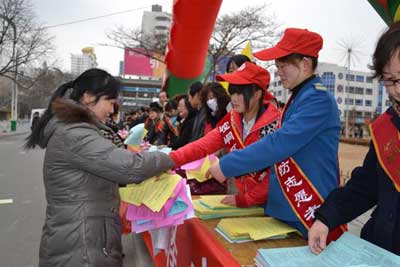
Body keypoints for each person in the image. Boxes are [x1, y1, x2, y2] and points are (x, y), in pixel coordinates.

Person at [25, 68, 174, 267]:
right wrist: (172, 158)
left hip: (80, 240)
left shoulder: (74, 130)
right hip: (82, 249)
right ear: (88, 97)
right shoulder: (75, 134)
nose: (112, 111)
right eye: (110, 102)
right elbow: (130, 167)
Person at [208, 28, 345, 241]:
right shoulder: (300, 97)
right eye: (277, 66)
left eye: (283, 66)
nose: (278, 73)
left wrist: (227, 165)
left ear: (305, 64)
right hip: (287, 207)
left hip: (308, 209)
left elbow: (278, 143)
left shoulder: (318, 100)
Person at [308, 21, 400, 256]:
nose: (397, 90)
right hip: (381, 251)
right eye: (390, 80)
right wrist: (326, 218)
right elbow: (366, 186)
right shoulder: (386, 126)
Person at [170, 62, 280, 207]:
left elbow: (276, 173)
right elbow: (202, 145)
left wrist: (246, 200)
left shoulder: (276, 124)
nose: (233, 98)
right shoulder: (233, 120)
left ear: (257, 94)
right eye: (232, 92)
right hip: (239, 199)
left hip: (268, 204)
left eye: (240, 93)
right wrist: (169, 160)